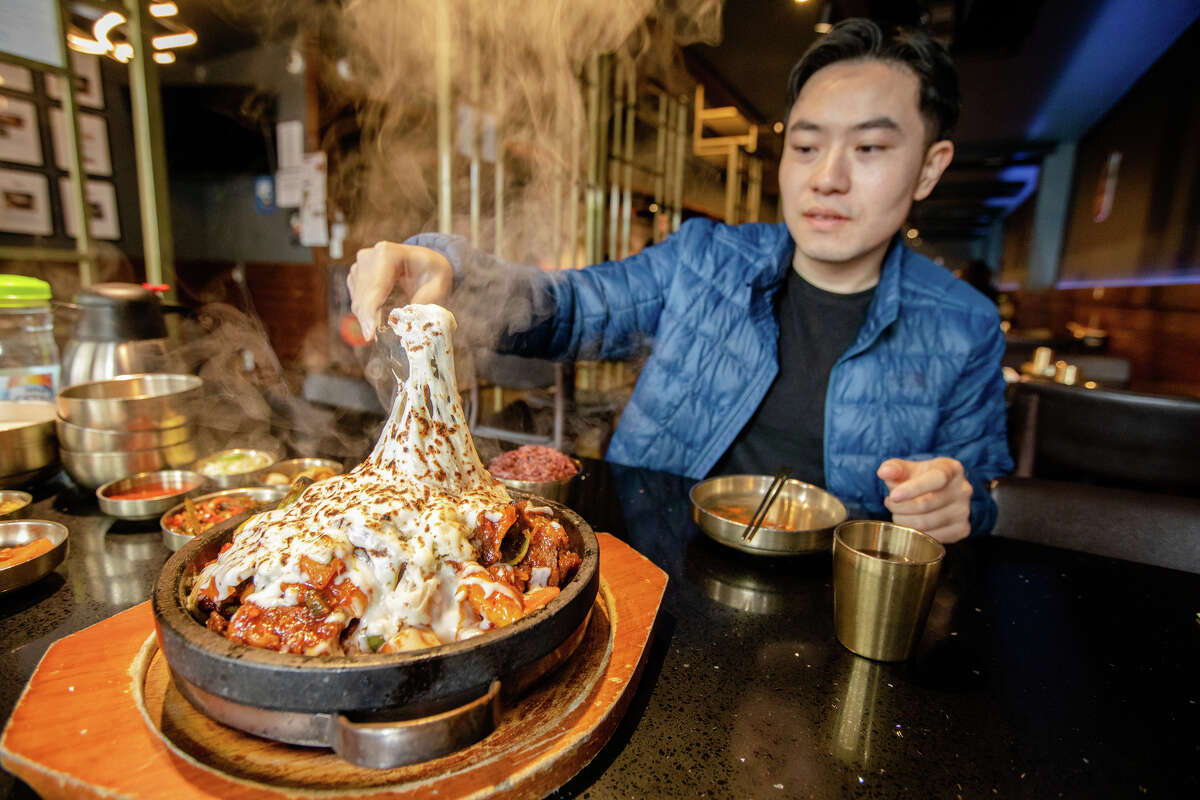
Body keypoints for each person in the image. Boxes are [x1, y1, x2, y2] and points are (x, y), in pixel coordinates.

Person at [348, 18, 1013, 542]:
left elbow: (976, 493)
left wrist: (960, 504)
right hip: (653, 569)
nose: (827, 177)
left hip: (831, 614)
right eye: (807, 146)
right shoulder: (705, 259)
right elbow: (571, 308)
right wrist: (454, 271)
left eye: (869, 148)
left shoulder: (965, 324)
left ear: (929, 168)